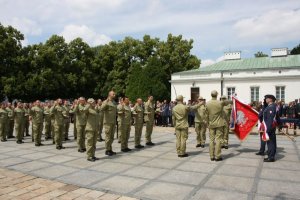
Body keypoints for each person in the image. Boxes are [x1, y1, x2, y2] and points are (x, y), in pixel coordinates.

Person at [206, 90, 226, 161]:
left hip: (211, 124)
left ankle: (211, 156)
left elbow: (206, 115)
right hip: (219, 124)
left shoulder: (207, 103)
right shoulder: (220, 103)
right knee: (218, 140)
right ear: (217, 95)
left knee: (211, 140)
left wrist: (207, 123)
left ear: (211, 95)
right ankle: (217, 156)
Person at [101, 91, 117, 156]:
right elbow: (101, 108)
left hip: (113, 122)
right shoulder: (106, 102)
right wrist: (106, 102)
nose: (114, 95)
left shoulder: (114, 102)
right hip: (108, 122)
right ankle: (107, 150)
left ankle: (110, 149)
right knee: (108, 137)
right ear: (109, 95)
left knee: (112, 137)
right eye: (113, 94)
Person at [263, 94, 278, 162]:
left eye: (267, 98)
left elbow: (270, 119)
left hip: (270, 127)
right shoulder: (272, 106)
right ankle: (270, 155)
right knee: (271, 142)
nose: (266, 99)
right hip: (271, 126)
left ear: (271, 99)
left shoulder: (271, 107)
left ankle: (271, 157)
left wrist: (268, 129)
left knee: (270, 142)